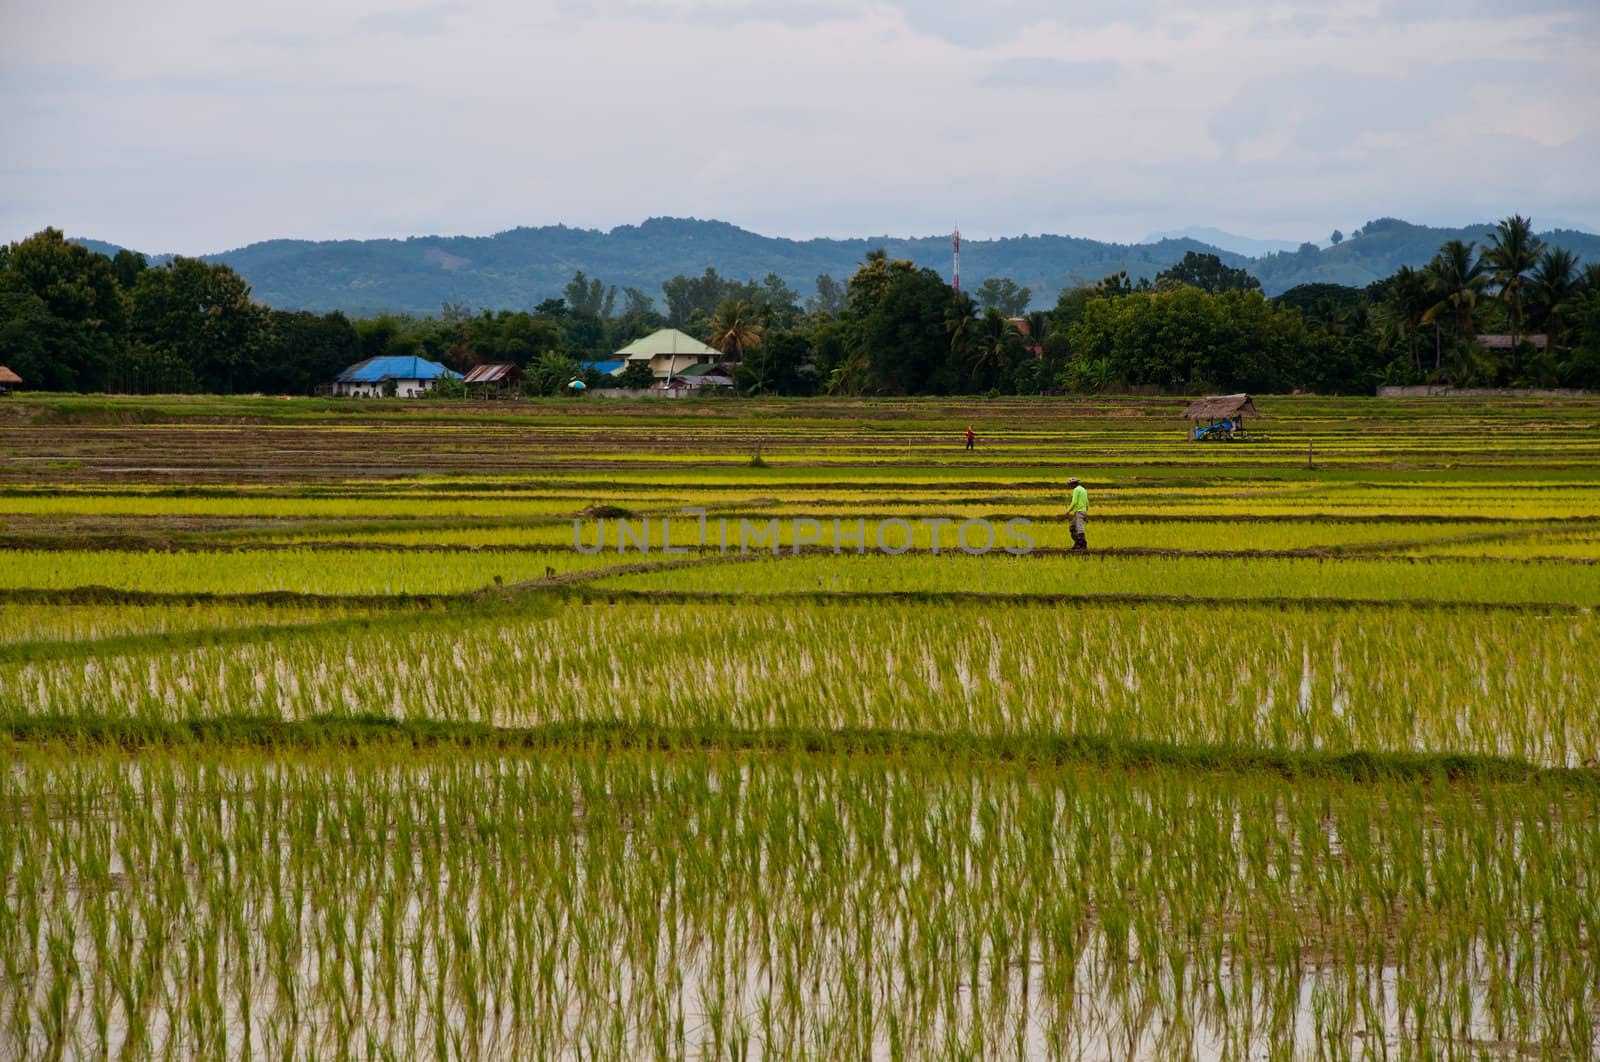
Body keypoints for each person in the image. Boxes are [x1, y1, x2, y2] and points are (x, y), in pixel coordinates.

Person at [1067, 476, 1088, 550]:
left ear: (1073, 484)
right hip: (1083, 511)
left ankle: (1082, 545)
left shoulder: (1076, 490)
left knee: (1079, 529)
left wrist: (1068, 511)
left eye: (1070, 484)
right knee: (1072, 527)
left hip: (1079, 512)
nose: (1069, 486)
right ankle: (1077, 543)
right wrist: (1086, 512)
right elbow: (1087, 502)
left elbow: (1074, 502)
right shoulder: (1083, 490)